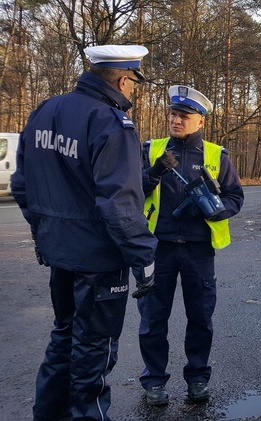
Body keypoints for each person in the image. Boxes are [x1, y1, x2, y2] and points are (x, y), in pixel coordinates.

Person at [10, 45, 158, 421]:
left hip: (59, 253)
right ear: (124, 79)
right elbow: (119, 203)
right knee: (95, 348)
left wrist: (46, 233)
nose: (133, 92)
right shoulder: (110, 122)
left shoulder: (45, 110)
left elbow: (22, 184)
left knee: (63, 337)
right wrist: (143, 256)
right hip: (99, 258)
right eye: (134, 85)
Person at [137, 85, 244, 406]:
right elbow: (131, 192)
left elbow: (235, 196)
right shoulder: (151, 150)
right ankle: (154, 381)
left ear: (200, 122)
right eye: (173, 114)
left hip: (199, 251)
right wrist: (154, 172)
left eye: (184, 116)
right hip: (159, 249)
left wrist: (216, 208)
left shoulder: (216, 156)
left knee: (200, 318)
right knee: (153, 319)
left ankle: (197, 378)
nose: (176, 120)